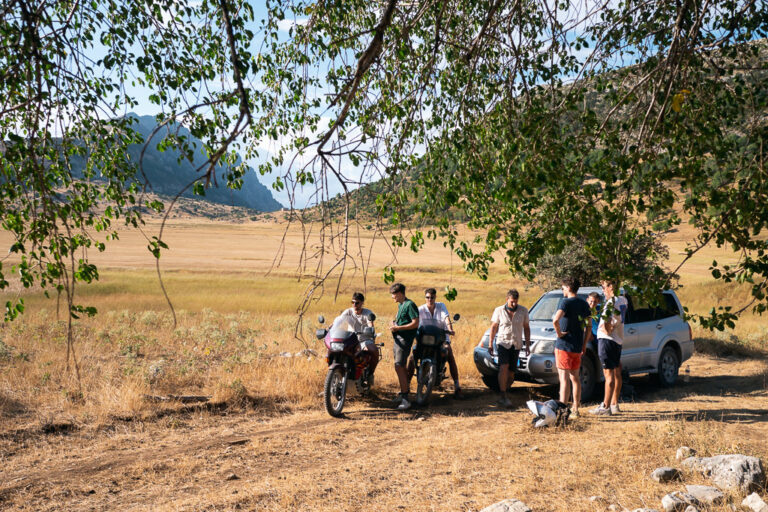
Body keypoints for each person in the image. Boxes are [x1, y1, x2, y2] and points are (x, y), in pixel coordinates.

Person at [552, 277, 591, 417]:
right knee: (575, 378)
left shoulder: (566, 302)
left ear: (568, 287)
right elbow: (589, 325)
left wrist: (559, 334)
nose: (562, 290)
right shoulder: (584, 304)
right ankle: (575, 408)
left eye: (563, 287)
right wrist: (584, 344)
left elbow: (555, 320)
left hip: (564, 345)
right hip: (577, 346)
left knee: (563, 379)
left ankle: (562, 410)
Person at [487, 289, 531, 408]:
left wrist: (527, 345)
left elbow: (526, 328)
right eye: (512, 301)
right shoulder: (499, 310)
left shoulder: (523, 311)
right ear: (507, 300)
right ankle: (503, 395)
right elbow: (493, 327)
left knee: (511, 372)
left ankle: (504, 390)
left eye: (516, 302)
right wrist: (490, 343)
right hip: (503, 342)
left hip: (516, 344)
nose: (514, 304)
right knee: (503, 367)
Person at [591, 279, 629, 416]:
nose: (602, 290)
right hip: (617, 340)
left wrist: (607, 329)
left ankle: (605, 406)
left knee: (608, 374)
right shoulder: (623, 300)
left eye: (603, 287)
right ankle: (614, 404)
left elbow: (608, 323)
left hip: (607, 340)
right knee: (616, 371)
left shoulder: (611, 302)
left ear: (611, 286)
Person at [415, 288, 462, 398]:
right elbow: (415, 321)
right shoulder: (420, 309)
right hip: (426, 339)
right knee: (413, 357)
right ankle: (405, 388)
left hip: (441, 338)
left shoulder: (441, 306)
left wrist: (450, 329)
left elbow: (446, 318)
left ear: (435, 297)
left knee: (449, 354)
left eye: (432, 297)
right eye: (427, 297)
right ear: (425, 298)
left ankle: (457, 386)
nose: (430, 299)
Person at [332, 292, 379, 376]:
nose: (354, 305)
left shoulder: (367, 313)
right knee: (335, 351)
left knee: (374, 350)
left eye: (357, 303)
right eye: (352, 302)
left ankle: (370, 373)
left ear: (362, 303)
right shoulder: (348, 312)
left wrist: (370, 330)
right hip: (350, 339)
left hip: (364, 339)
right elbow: (339, 321)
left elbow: (370, 324)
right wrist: (330, 328)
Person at [389, 282, 419, 410]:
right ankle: (403, 393)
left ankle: (406, 399)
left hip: (405, 340)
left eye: (393, 294)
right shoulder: (401, 305)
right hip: (398, 339)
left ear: (400, 293)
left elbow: (415, 323)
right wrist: (393, 324)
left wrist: (398, 327)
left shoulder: (410, 304)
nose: (392, 297)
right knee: (399, 367)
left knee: (399, 366)